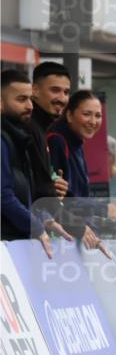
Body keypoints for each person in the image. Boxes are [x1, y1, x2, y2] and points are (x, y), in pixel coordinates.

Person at [1, 69, 72, 256]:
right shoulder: (5, 139)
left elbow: (24, 193)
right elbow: (3, 195)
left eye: (30, 99)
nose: (30, 106)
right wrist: (36, 227)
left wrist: (43, 219)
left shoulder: (18, 138)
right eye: (21, 99)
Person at [46, 89, 111, 254]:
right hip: (60, 238)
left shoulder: (78, 143)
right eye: (87, 114)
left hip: (77, 235)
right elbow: (61, 198)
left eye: (98, 116)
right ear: (69, 115)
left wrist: (92, 230)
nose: (93, 121)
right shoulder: (57, 141)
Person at [31, 61, 71, 134]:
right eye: (55, 90)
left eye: (66, 92)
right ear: (35, 90)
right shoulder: (26, 130)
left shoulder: (51, 128)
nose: (62, 99)